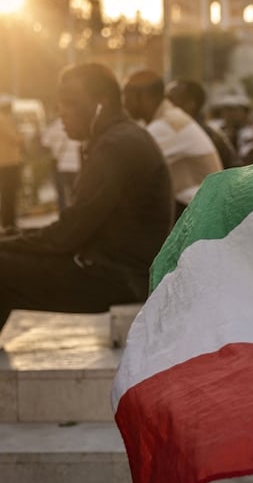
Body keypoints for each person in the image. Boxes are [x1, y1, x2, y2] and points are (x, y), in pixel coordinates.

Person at [0, 63, 173, 333]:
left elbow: (66, 236)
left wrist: (9, 240)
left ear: (102, 104)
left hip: (120, 277)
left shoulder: (115, 146)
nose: (61, 112)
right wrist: (12, 239)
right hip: (120, 269)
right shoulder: (118, 137)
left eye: (71, 103)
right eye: (60, 103)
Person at [123, 70, 223, 218]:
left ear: (141, 97)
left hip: (200, 213)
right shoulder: (167, 118)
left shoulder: (167, 125)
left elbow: (125, 166)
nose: (123, 103)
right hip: (199, 208)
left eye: (126, 96)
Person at [166, 79, 241, 168]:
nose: (165, 104)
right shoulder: (173, 130)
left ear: (190, 104)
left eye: (171, 99)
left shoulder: (207, 135)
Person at [42, 106, 81, 213]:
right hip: (74, 163)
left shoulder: (52, 127)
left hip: (60, 163)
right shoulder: (74, 125)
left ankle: (63, 213)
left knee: (61, 192)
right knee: (74, 190)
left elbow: (44, 142)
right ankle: (76, 212)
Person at [0, 101, 23, 235]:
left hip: (9, 161)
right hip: (8, 162)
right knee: (8, 193)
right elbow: (16, 138)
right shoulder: (3, 120)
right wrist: (21, 136)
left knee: (9, 193)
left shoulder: (5, 120)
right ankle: (8, 223)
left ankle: (9, 222)